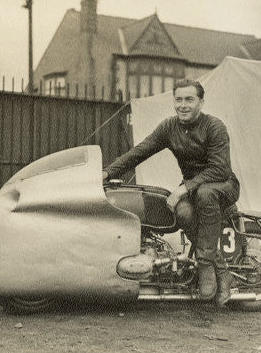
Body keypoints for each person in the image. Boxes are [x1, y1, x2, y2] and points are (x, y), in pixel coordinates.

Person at [102, 79, 240, 307]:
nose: (183, 105)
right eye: (178, 100)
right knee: (181, 212)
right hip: (194, 188)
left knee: (205, 194)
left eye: (189, 99)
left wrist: (184, 188)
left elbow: (220, 168)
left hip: (223, 185)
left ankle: (206, 266)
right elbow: (140, 151)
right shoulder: (169, 127)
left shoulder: (215, 126)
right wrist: (107, 173)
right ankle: (223, 271)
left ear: (201, 102)